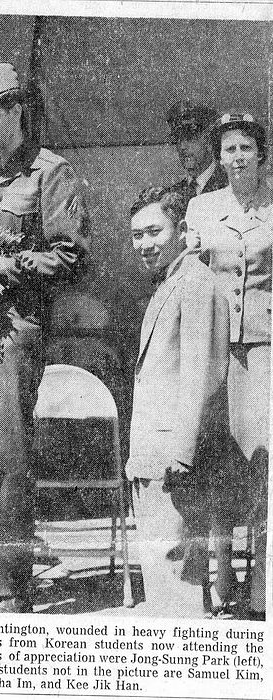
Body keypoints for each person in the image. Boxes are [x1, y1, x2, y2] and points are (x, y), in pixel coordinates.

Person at [0, 63, 90, 613]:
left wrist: (2, 262)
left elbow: (70, 259)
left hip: (14, 328)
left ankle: (12, 587)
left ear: (14, 110)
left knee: (8, 454)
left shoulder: (49, 172)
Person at [127, 186, 229, 618]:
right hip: (154, 453)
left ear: (182, 230)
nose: (145, 244)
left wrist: (183, 452)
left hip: (174, 454)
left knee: (178, 584)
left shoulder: (196, 285)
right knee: (163, 573)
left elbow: (202, 374)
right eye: (137, 235)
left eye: (154, 231)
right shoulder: (172, 282)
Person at [185, 113, 271, 620]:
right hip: (214, 348)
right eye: (228, 149)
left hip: (264, 350)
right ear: (219, 158)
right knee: (218, 464)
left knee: (263, 465)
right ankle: (219, 582)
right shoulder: (201, 207)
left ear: (261, 153)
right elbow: (191, 270)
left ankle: (263, 585)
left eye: (246, 148)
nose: (237, 157)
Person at [166, 100, 227, 205]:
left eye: (190, 138)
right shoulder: (174, 194)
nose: (182, 147)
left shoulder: (228, 186)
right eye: (177, 140)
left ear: (209, 141)